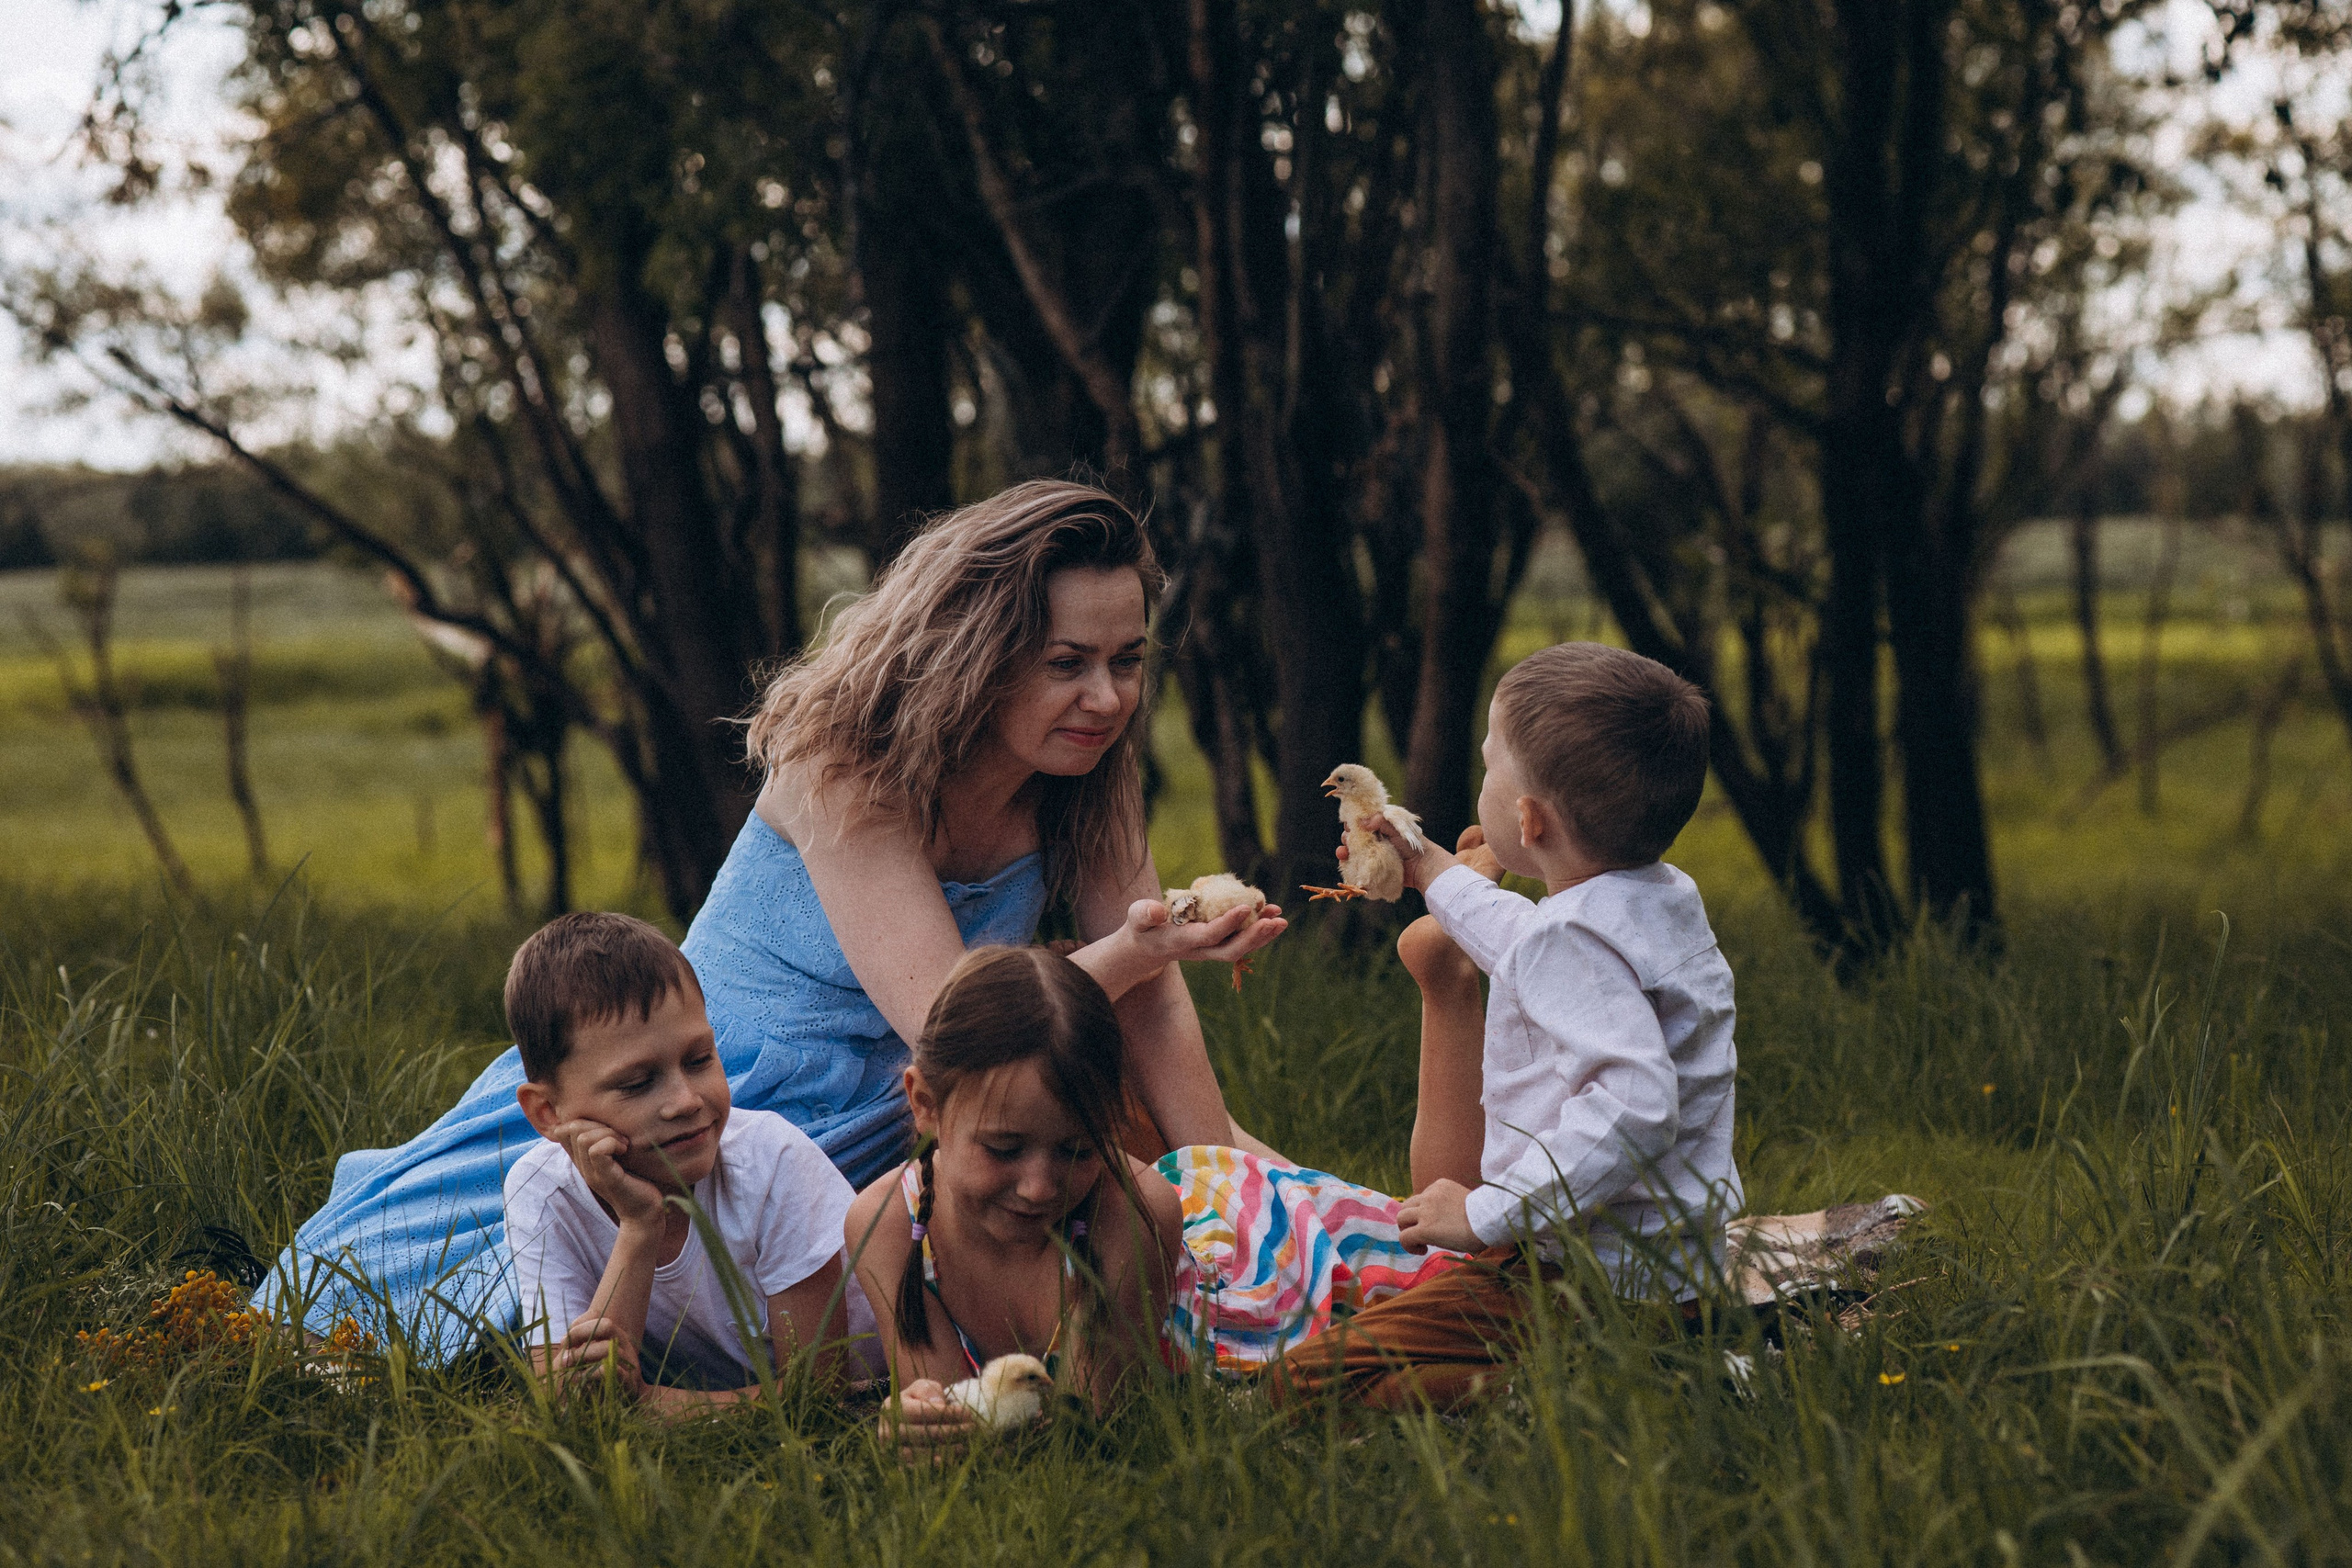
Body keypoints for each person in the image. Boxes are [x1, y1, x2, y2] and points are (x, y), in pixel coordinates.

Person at [256, 479, 1283, 1355]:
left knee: (1233, 1194)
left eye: (1126, 661)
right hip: (724, 1091)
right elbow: (948, 1022)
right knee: (453, 1307)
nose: (1105, 698)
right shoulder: (851, 766)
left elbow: (1152, 1006)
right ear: (978, 650)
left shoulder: (1087, 778)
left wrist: (1235, 1198)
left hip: (910, 1109)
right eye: (1068, 663)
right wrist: (1134, 953)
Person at [1272, 641, 1745, 1409]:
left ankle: (1580, 1391)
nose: (1482, 774)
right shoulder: (1656, 897)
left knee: (1304, 1383)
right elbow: (1525, 943)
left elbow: (1636, 1103)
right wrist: (1424, 864)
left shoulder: (1575, 940)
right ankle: (1644, 1365)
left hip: (1577, 1280)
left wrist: (1483, 1211)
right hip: (1675, 1275)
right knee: (1390, 1346)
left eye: (1491, 764)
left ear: (1527, 819)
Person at [859, 945, 1465, 1458]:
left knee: (1466, 1273)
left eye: (1076, 1148)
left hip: (1256, 1266)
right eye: (1005, 1147)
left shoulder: (1125, 1213)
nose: (1040, 1185)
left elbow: (1090, 1432)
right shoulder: (888, 1227)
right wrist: (918, 1425)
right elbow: (948, 1421)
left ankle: (1452, 986)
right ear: (925, 1103)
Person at [501, 912, 873, 1407]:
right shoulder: (539, 1191)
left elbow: (818, 1396)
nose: (686, 1101)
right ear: (548, 1113)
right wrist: (639, 1225)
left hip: (891, 1385)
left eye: (699, 1061)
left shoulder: (772, 1162)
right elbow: (572, 1403)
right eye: (637, 1084)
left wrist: (654, 1407)